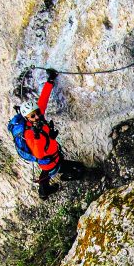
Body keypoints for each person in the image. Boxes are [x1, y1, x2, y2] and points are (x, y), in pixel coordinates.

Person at [15, 69, 83, 199]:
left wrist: (50, 80)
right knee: (77, 169)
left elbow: (43, 99)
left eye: (37, 113)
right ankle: (47, 189)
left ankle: (43, 191)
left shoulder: (38, 119)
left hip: (53, 157)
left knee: (46, 173)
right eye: (33, 116)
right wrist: (41, 137)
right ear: (27, 119)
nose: (37, 116)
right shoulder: (30, 134)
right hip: (51, 160)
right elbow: (39, 153)